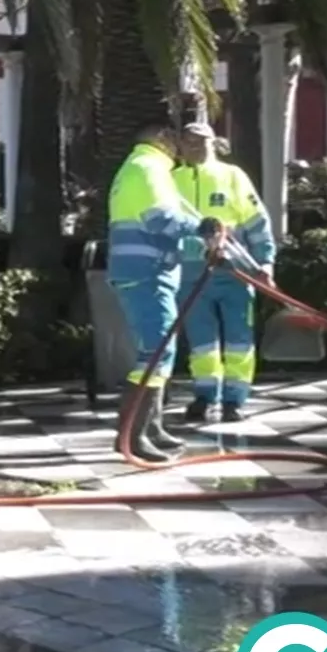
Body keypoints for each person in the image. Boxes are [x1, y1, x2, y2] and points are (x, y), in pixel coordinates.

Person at [106, 122, 219, 462]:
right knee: (155, 350)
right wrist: (201, 227)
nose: (179, 145)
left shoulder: (147, 168)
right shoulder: (146, 167)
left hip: (151, 271)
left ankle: (151, 428)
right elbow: (160, 219)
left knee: (163, 349)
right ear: (160, 139)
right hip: (146, 272)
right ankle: (133, 435)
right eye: (173, 138)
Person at [172, 122, 276, 423]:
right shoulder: (171, 180)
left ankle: (235, 400)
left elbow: (257, 222)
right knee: (201, 340)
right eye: (189, 141)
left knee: (238, 338)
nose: (195, 146)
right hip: (191, 273)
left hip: (234, 271)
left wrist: (265, 262)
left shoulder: (232, 176)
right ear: (181, 144)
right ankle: (205, 396)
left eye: (201, 141)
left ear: (213, 143)